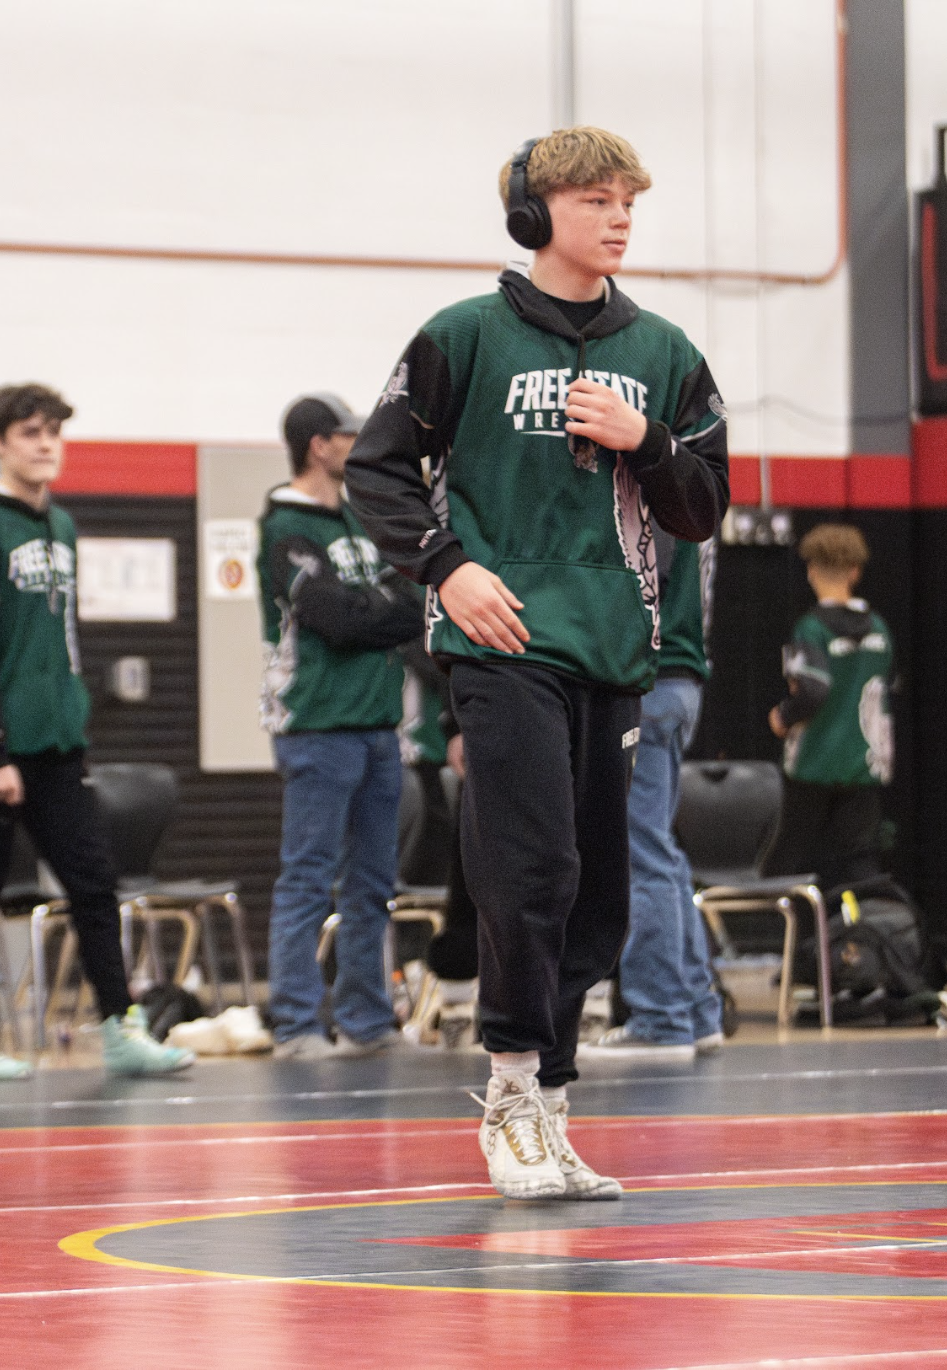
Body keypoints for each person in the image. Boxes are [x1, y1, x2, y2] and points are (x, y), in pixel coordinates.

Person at [345, 128, 729, 1199]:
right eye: (596, 199)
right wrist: (445, 567)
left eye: (628, 204)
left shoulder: (662, 351)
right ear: (533, 211)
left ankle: (550, 1107)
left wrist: (646, 439)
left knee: (597, 899)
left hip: (612, 646)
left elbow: (704, 506)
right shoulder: (462, 335)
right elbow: (376, 472)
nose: (618, 219)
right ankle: (510, 1093)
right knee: (530, 874)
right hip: (501, 642)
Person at [0, 382, 194, 1078]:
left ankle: (120, 1027)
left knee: (93, 882)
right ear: (3, 442)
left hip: (57, 742)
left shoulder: (63, 527)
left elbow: (63, 635)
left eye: (54, 431)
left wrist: (73, 712)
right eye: (30, 432)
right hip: (4, 745)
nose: (47, 444)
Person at [258, 393, 423, 1059]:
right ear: (319, 445)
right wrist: (377, 606)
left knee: (373, 884)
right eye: (348, 435)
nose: (359, 445)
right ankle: (296, 1023)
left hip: (379, 725)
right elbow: (340, 618)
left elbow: (411, 606)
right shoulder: (282, 530)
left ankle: (366, 1020)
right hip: (317, 726)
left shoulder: (361, 519)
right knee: (307, 877)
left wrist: (377, 605)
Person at [583, 529, 727, 1060]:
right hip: (679, 678)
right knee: (660, 852)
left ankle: (661, 1016)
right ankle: (695, 1009)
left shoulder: (654, 485)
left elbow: (642, 577)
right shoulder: (690, 483)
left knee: (641, 854)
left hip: (653, 678)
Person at [761, 522, 894, 891]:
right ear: (855, 571)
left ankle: (787, 941)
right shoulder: (880, 629)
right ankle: (863, 942)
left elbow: (814, 689)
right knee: (860, 862)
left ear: (812, 571)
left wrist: (783, 716)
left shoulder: (812, 629)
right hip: (864, 765)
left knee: (789, 858)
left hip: (812, 764)